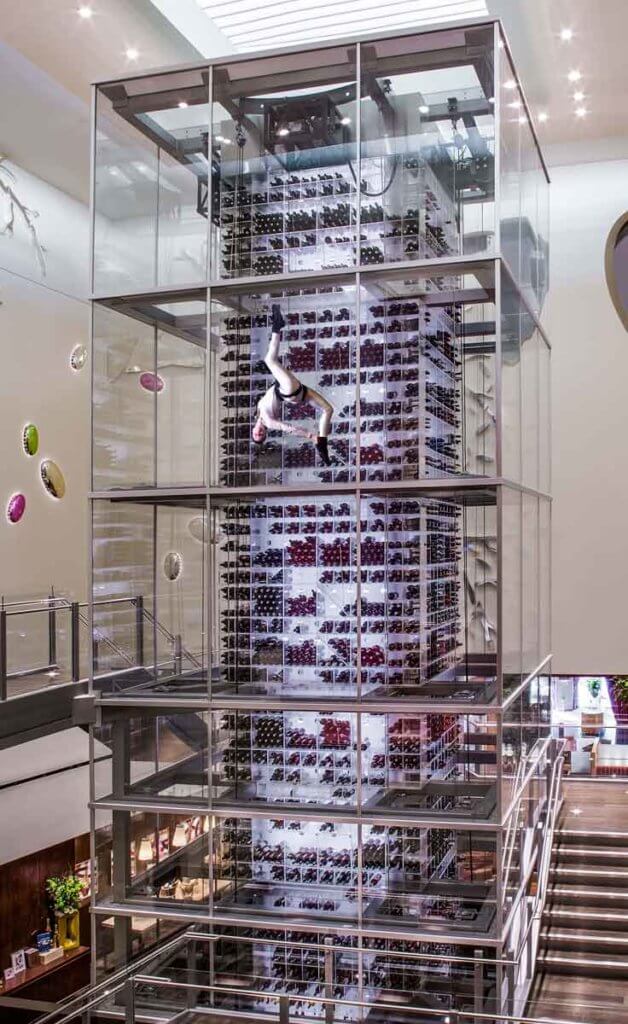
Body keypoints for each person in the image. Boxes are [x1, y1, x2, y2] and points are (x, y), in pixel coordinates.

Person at [252, 304, 333, 465]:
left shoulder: (258, 413)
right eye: (262, 435)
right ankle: (277, 326)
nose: (259, 433)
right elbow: (289, 428)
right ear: (265, 433)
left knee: (328, 409)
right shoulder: (269, 422)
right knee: (269, 360)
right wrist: (310, 436)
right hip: (288, 390)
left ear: (252, 431)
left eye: (256, 434)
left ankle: (322, 444)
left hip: (297, 393)